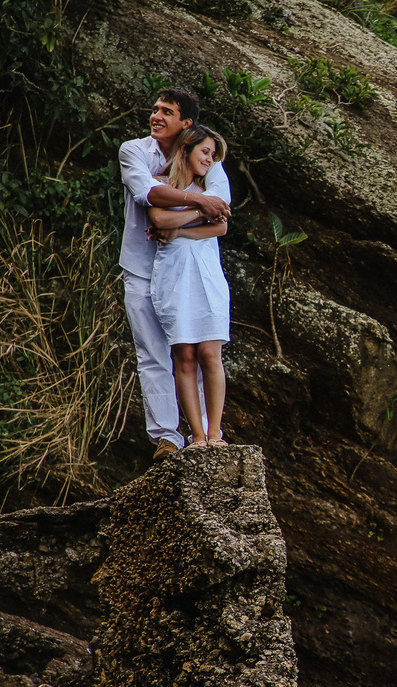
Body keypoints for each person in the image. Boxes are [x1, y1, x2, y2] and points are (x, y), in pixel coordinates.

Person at [118, 88, 232, 460]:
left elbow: (222, 216)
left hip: (185, 270)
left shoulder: (205, 156)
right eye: (154, 109)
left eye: (166, 111)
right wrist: (201, 203)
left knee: (197, 351)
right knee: (154, 353)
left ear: (186, 124)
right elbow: (148, 195)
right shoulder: (134, 151)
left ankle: (205, 434)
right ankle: (168, 437)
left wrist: (190, 220)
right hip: (141, 266)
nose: (156, 116)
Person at [147, 125, 231, 450]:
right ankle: (196, 435)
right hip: (173, 275)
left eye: (213, 155)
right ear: (185, 150)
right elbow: (160, 220)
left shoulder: (209, 190)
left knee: (211, 353)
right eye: (205, 152)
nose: (210, 160)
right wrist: (200, 212)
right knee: (184, 356)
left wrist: (182, 228)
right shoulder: (159, 185)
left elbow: (221, 226)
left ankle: (215, 433)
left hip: (207, 273)